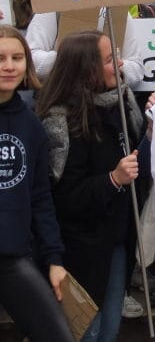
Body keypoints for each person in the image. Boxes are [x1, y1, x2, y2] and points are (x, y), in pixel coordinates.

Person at [38, 30, 144, 342]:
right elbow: (63, 198)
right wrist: (113, 180)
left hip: (116, 239)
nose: (120, 64)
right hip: (79, 250)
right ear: (86, 69)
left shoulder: (122, 103)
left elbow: (140, 165)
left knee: (108, 330)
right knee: (87, 331)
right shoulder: (61, 119)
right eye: (110, 59)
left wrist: (150, 131)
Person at [0, 26, 73, 342]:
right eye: (0, 58)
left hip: (13, 257)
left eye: (17, 57)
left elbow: (41, 197)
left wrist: (55, 260)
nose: (9, 66)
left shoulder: (30, 123)